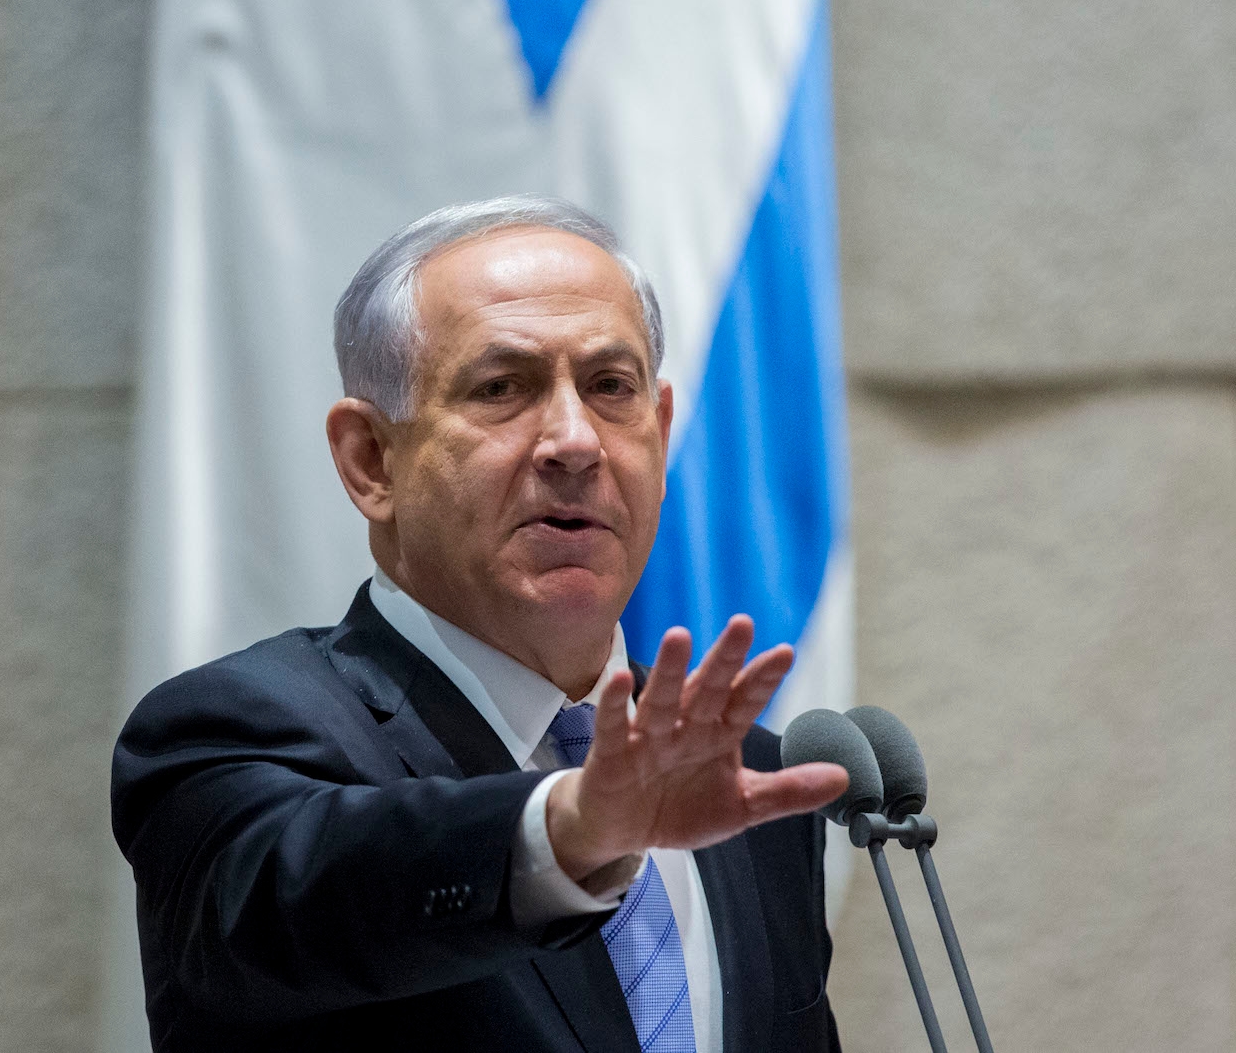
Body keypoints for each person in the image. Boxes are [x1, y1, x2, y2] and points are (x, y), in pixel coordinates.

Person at [112, 196, 849, 1052]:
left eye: (611, 389)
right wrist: (568, 829)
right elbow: (299, 893)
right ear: (370, 461)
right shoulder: (232, 730)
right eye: (502, 388)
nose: (574, 441)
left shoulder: (741, 778)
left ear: (660, 429)